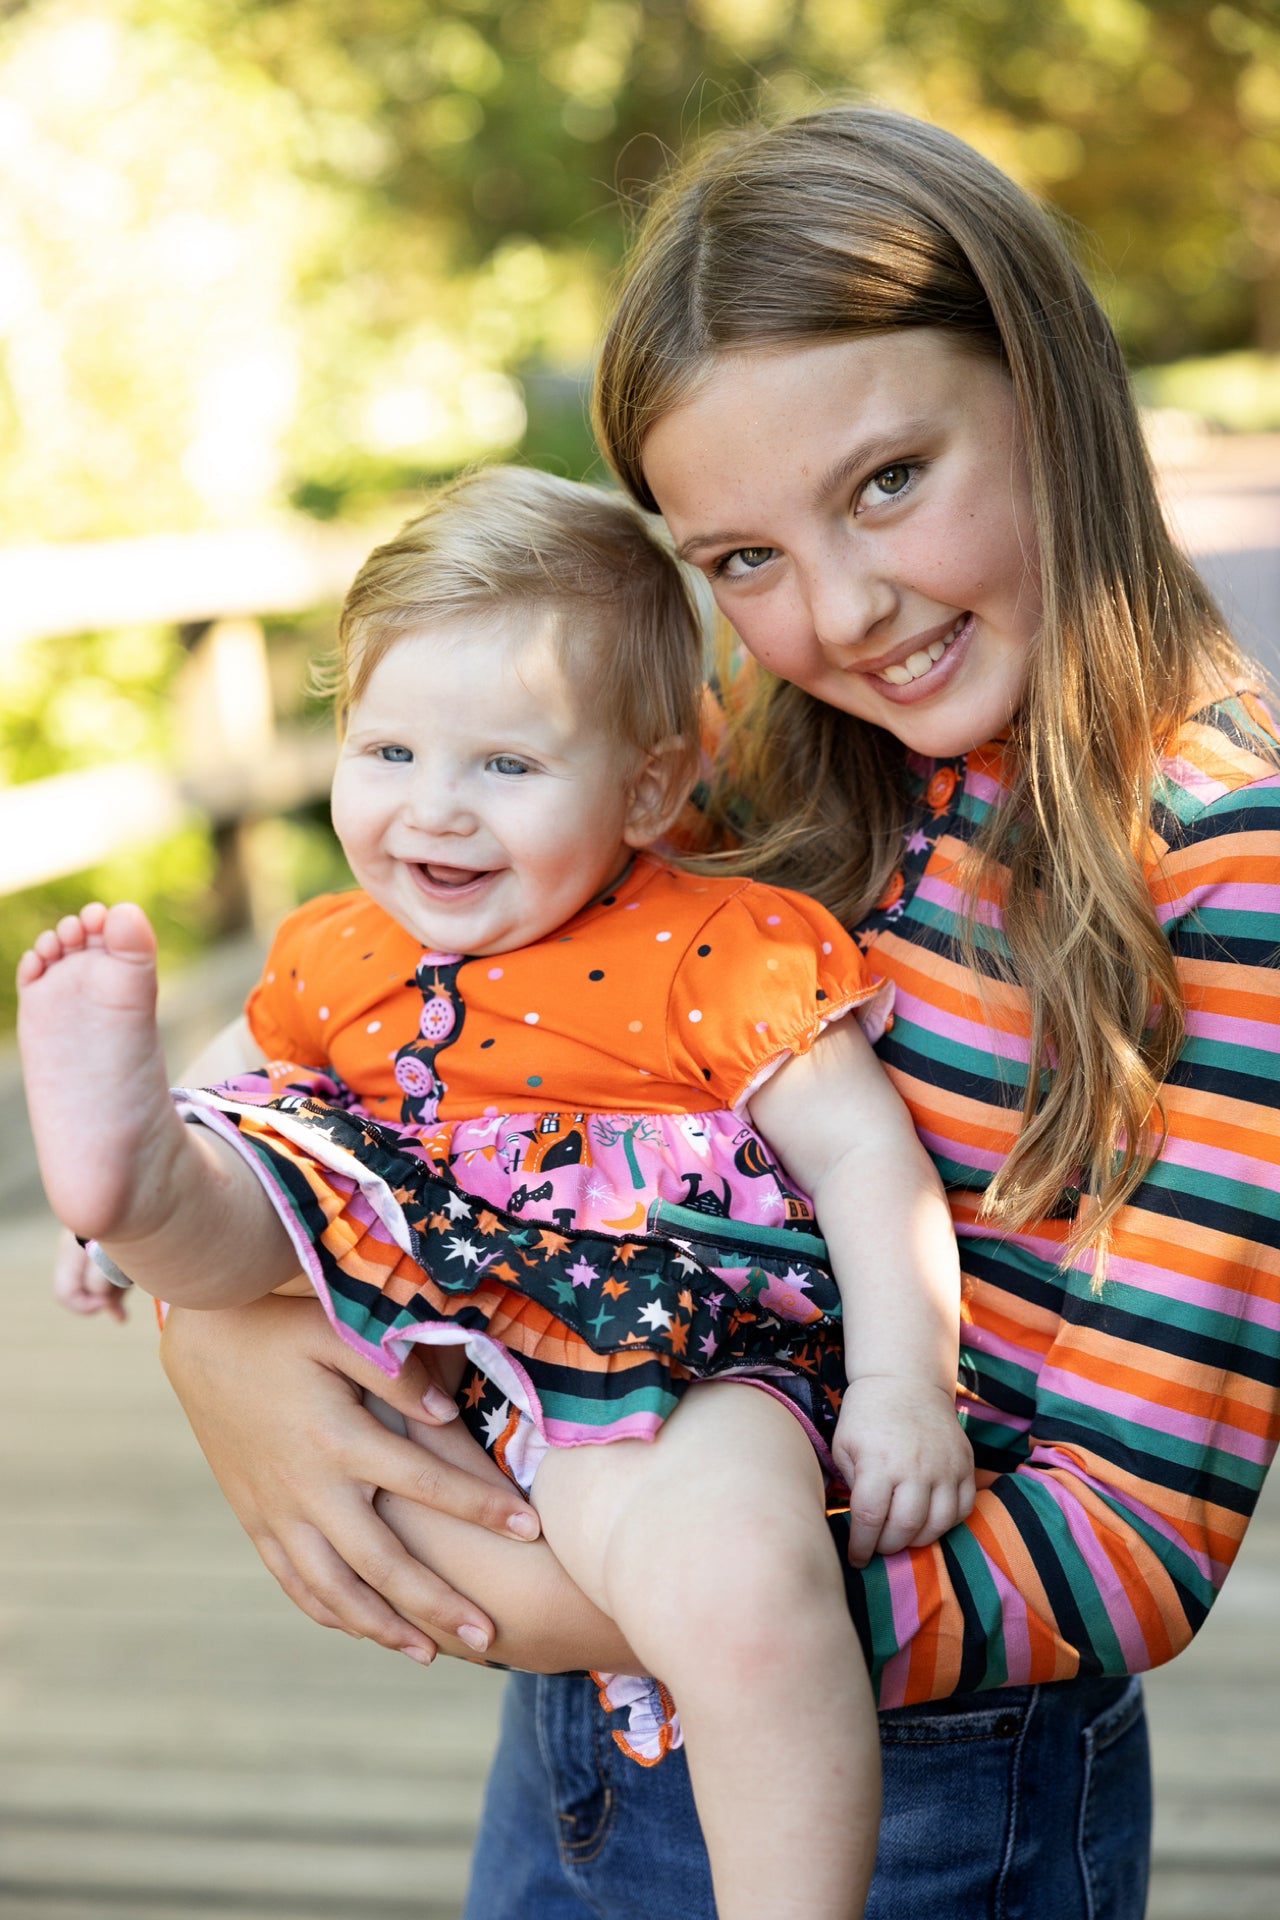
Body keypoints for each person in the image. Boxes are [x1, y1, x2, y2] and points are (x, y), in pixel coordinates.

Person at [73, 103, 1280, 1918]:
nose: (848, 610)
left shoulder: (1220, 863)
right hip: (583, 1727)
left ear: (1053, 382)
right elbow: (434, 1067)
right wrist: (221, 1342)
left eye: (888, 480)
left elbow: (1125, 1545)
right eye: (741, 561)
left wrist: (598, 1593)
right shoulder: (755, 795)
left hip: (924, 1787)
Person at [20, 464, 975, 1920]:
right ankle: (131, 1177)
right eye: (387, 752)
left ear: (651, 783)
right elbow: (253, 1088)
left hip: (643, 1344)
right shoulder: (338, 949)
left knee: (740, 1588)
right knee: (250, 1159)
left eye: (506, 767)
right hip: (402, 1300)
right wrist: (154, 1181)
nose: (435, 814)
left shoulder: (719, 947)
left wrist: (905, 1385)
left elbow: (866, 1163)